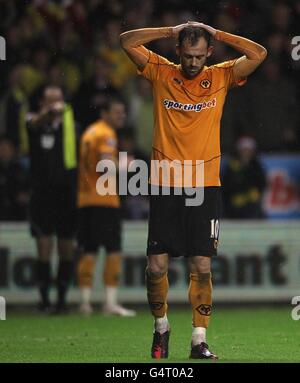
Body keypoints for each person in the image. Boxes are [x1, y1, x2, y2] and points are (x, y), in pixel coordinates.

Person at [120, 21, 267, 359]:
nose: (192, 63)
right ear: (179, 52)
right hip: (165, 182)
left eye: (199, 56)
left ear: (209, 53)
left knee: (201, 266)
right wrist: (171, 29)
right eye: (187, 56)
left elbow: (259, 54)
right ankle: (161, 327)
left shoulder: (221, 75)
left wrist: (221, 33)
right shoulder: (160, 71)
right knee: (156, 267)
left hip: (205, 184)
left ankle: (198, 341)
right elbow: (126, 41)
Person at [77, 98, 136, 317]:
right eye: (117, 111)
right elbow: (105, 166)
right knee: (113, 250)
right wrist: (126, 164)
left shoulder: (90, 132)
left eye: (123, 111)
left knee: (89, 249)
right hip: (105, 200)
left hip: (85, 199)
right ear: (105, 113)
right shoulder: (106, 134)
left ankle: (85, 302)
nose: (121, 115)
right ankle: (110, 303)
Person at [26, 86, 78, 314]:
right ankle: (44, 300)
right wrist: (48, 113)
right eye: (50, 100)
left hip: (66, 194)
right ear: (42, 103)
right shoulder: (35, 123)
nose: (56, 104)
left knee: (66, 248)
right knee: (44, 247)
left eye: (59, 100)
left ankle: (62, 300)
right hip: (42, 195)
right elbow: (32, 123)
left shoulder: (72, 127)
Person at [222, 136, 266, 219]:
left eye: (249, 150)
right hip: (233, 206)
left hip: (252, 206)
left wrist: (252, 194)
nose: (246, 153)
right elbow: (226, 186)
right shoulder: (231, 166)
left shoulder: (256, 166)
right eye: (244, 150)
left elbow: (261, 183)